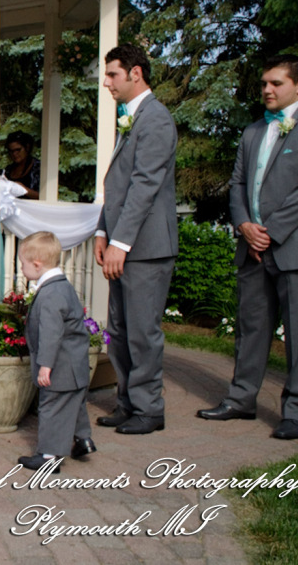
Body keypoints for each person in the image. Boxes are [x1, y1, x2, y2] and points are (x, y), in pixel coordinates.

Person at [197, 55, 298, 439]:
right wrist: (244, 225)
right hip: (253, 247)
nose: (267, 90)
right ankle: (241, 399)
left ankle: (297, 411)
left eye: (276, 83)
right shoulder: (253, 131)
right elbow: (238, 184)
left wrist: (269, 233)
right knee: (250, 329)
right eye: (264, 83)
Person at [94, 44, 177, 435]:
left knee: (143, 332)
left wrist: (120, 242)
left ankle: (149, 409)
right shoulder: (131, 118)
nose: (106, 82)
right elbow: (117, 186)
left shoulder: (156, 119)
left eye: (112, 74)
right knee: (120, 330)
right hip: (123, 244)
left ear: (136, 73)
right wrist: (102, 230)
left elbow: (145, 186)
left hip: (146, 248)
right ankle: (128, 402)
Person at [16, 231, 94, 472]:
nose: (22, 269)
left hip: (59, 367)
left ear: (37, 264)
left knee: (52, 407)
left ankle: (49, 456)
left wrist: (45, 366)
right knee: (75, 404)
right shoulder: (64, 287)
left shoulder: (50, 295)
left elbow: (51, 334)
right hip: (75, 365)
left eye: (23, 264)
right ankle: (83, 440)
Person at [1, 131, 40, 199]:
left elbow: (46, 197)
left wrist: (24, 190)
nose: (14, 154)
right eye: (11, 151)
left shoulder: (38, 168)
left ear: (27, 147)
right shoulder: (8, 170)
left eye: (18, 150)